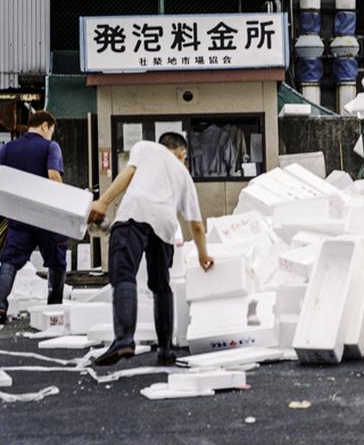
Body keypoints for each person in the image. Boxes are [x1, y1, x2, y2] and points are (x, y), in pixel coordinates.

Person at [89, 132, 215, 366]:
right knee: (161, 285)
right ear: (181, 153)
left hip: (135, 213)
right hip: (165, 225)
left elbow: (129, 173)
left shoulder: (145, 147)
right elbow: (196, 225)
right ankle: (165, 350)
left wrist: (103, 201)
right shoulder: (184, 174)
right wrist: (203, 254)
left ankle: (125, 339)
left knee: (124, 272)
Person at [0, 111, 68, 324]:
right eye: (52, 131)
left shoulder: (7, 148)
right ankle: (54, 308)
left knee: (9, 260)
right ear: (46, 126)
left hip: (20, 214)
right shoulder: (51, 147)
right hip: (47, 215)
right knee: (56, 261)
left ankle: (0, 305)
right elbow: (54, 175)